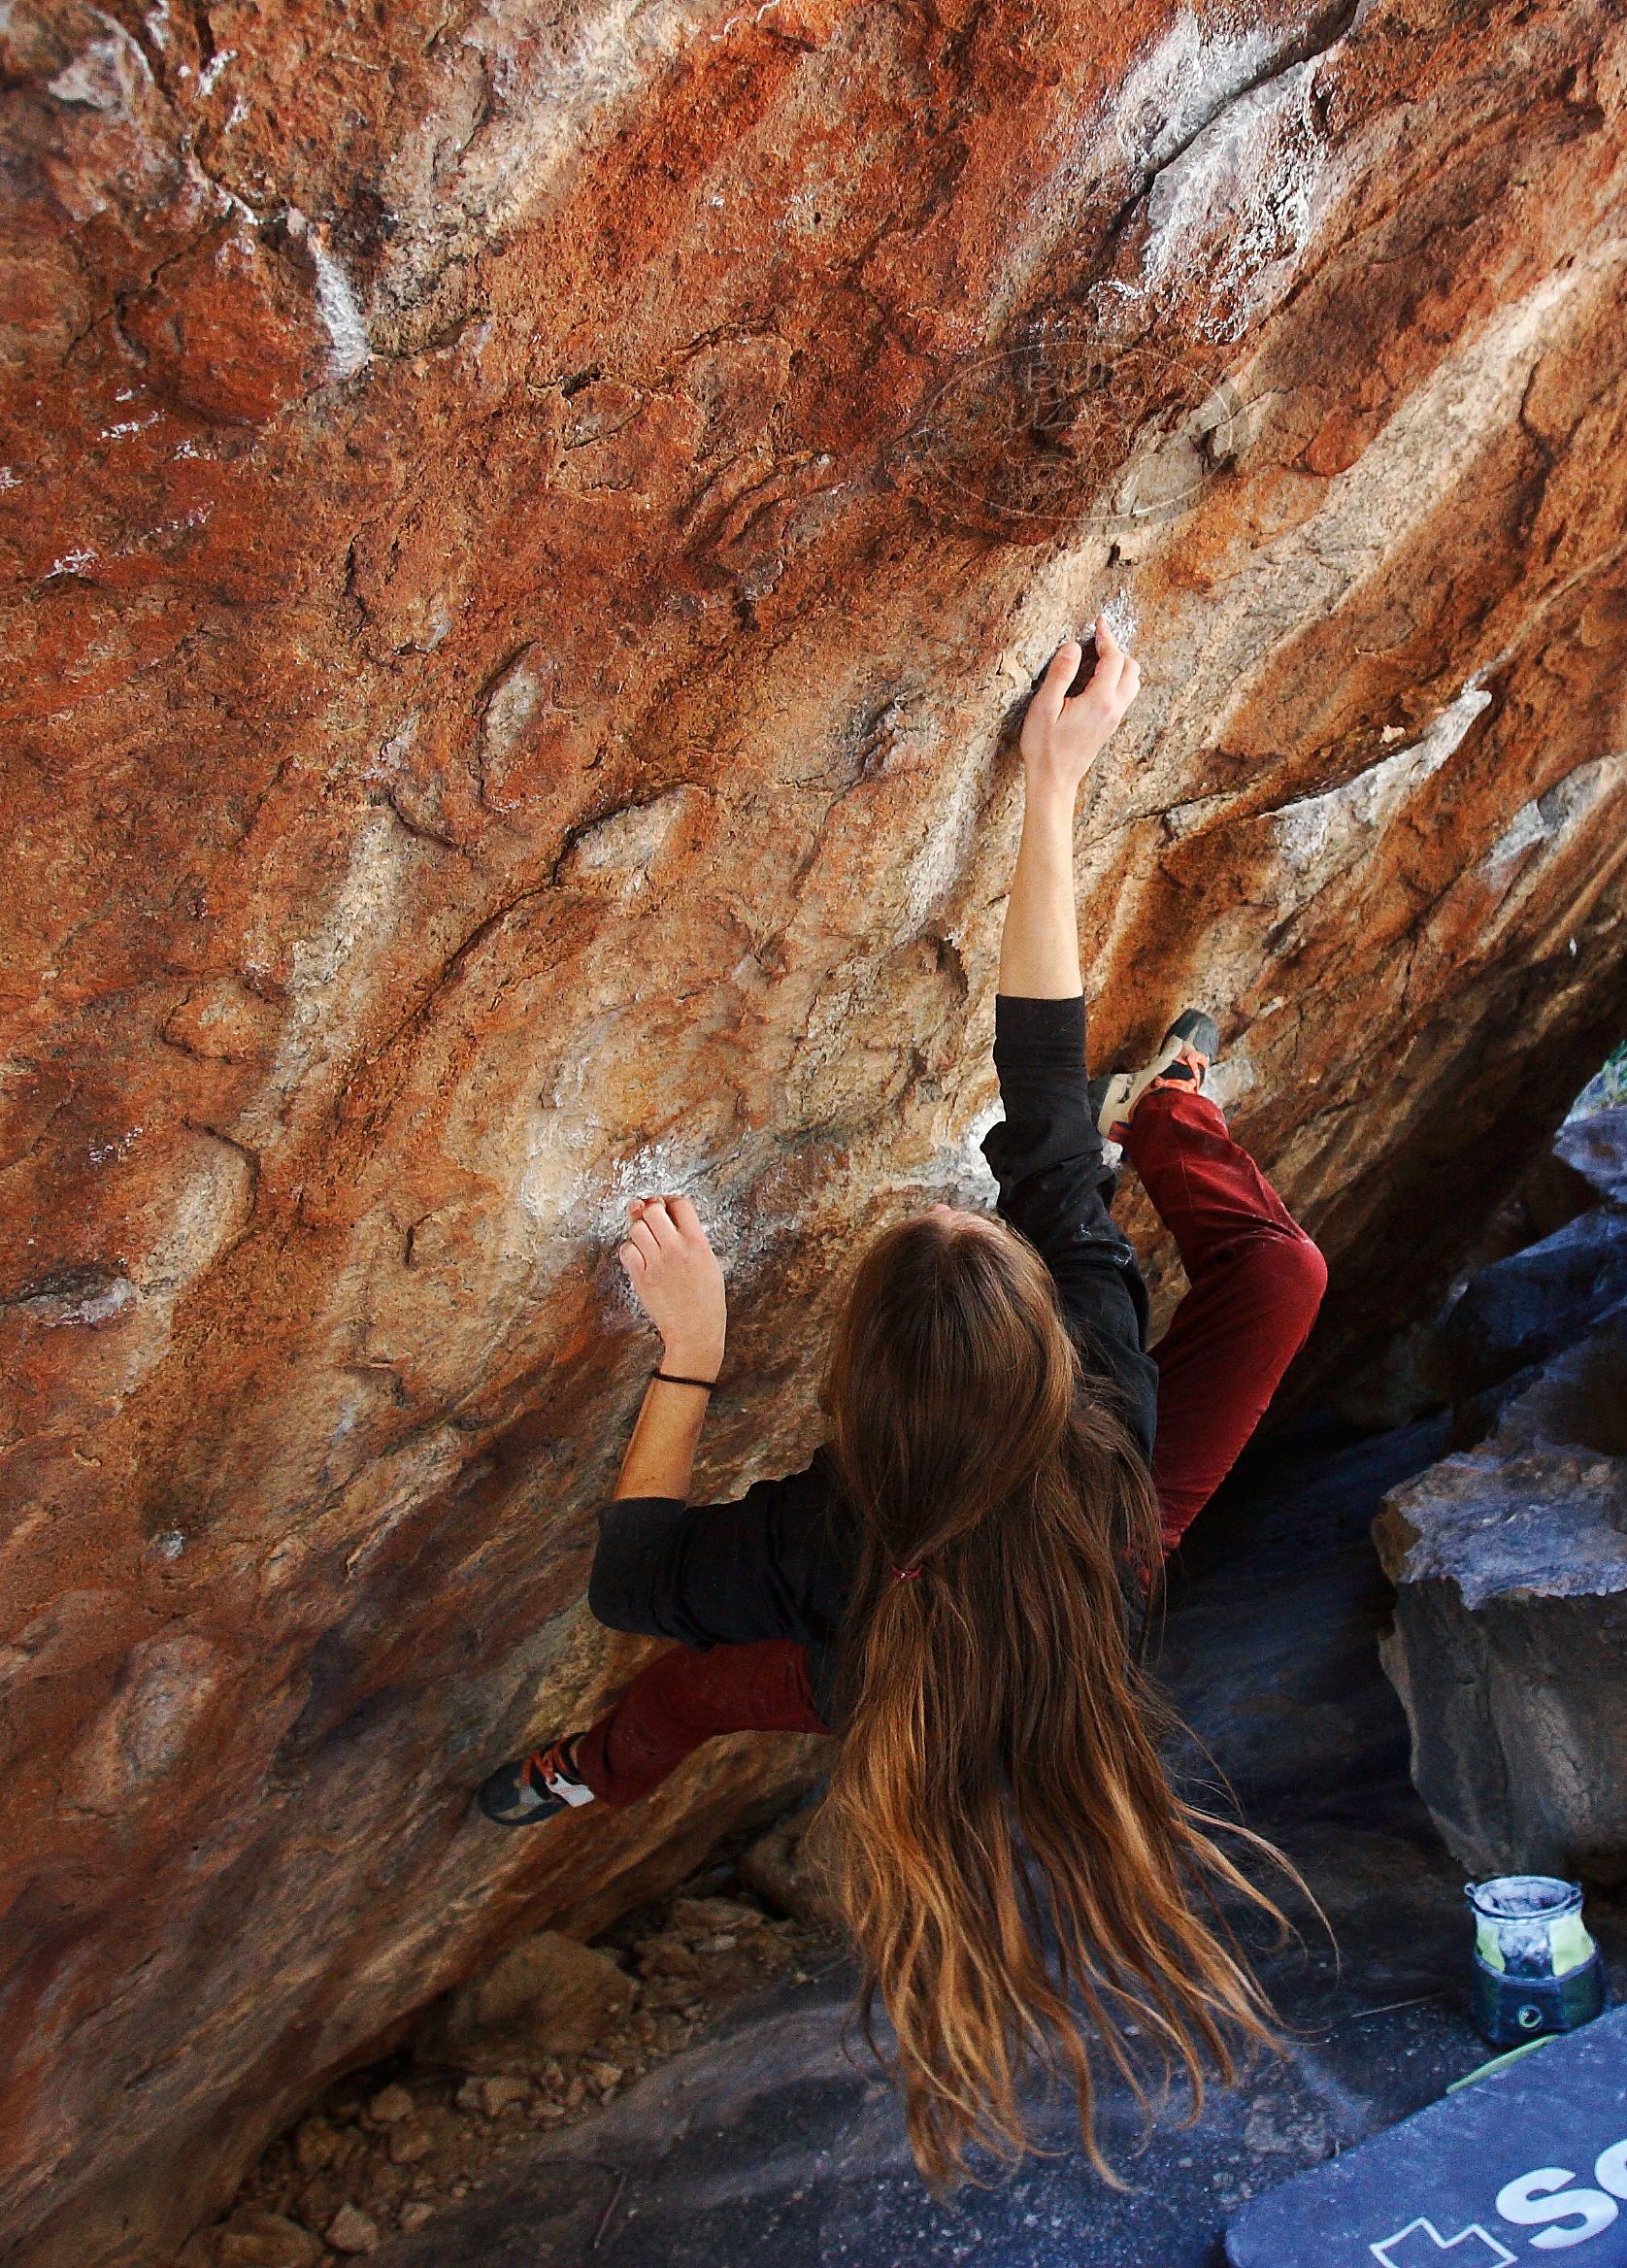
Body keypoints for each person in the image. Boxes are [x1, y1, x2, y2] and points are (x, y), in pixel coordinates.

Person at [475, 611, 1331, 2190]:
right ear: (1046, 1350)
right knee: (1280, 1282)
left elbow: (633, 1584)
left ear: (856, 1406)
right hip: (1099, 1552)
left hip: (899, 1660)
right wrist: (1053, 791)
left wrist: (691, 1351)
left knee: (676, 1703)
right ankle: (1183, 1114)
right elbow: (1038, 1086)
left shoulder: (829, 1543)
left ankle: (588, 1773)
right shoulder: (1100, 1363)